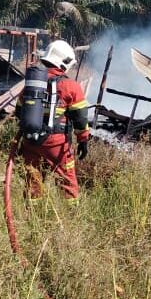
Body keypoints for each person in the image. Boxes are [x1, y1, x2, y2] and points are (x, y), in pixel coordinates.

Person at [17, 40, 91, 202]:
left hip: (30, 141)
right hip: (56, 144)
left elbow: (18, 111)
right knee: (67, 181)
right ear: (64, 61)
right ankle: (72, 215)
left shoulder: (32, 84)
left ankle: (31, 215)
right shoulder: (70, 86)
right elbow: (80, 118)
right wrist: (83, 140)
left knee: (33, 181)